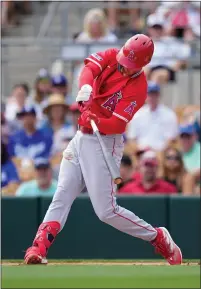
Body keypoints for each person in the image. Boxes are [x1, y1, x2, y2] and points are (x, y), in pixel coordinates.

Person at [24, 34, 182, 266]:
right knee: (62, 194)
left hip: (105, 141)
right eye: (124, 61)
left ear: (142, 65)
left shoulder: (139, 88)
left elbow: (117, 124)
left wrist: (93, 117)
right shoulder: (111, 56)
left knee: (106, 211)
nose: (123, 67)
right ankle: (38, 247)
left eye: (130, 66)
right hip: (81, 137)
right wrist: (86, 89)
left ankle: (157, 236)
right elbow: (88, 69)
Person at [126, 81, 178, 151]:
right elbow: (131, 138)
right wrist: (139, 151)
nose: (152, 97)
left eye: (154, 94)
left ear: (159, 95)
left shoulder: (169, 114)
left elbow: (172, 139)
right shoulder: (137, 114)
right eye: (149, 94)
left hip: (162, 153)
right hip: (142, 153)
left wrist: (159, 153)